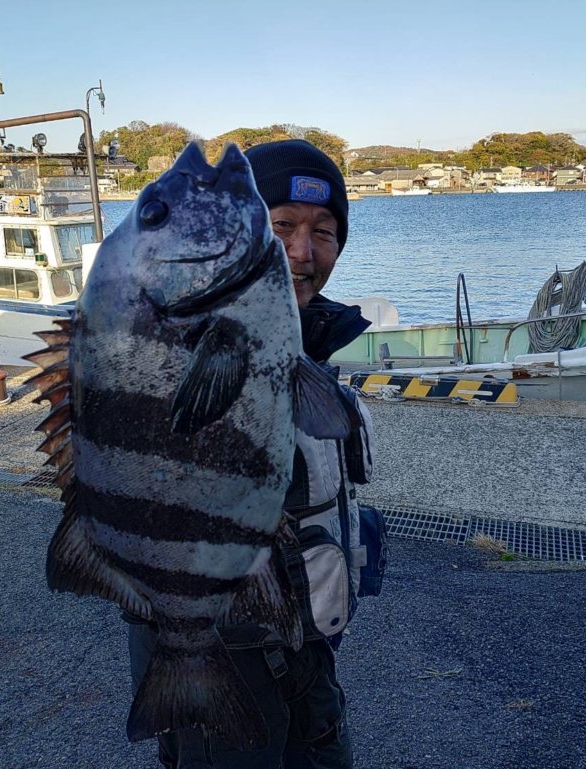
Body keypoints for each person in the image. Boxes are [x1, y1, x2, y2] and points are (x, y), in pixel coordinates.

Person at [127, 139, 378, 769]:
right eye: (281, 225)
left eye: (324, 231)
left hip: (305, 649)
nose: (303, 251)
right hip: (220, 657)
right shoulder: (183, 337)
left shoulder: (303, 340)